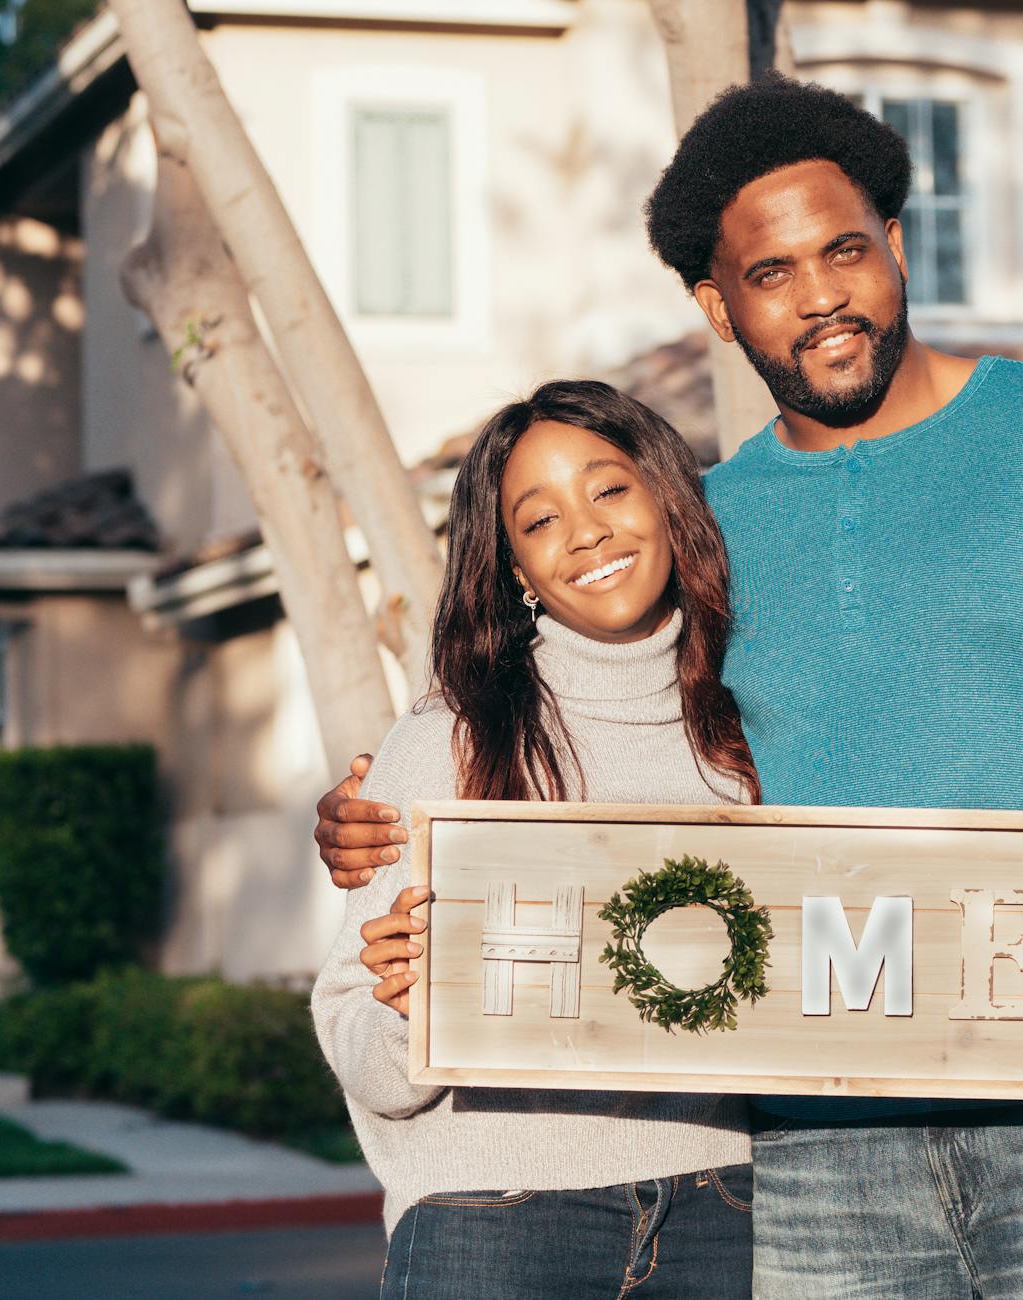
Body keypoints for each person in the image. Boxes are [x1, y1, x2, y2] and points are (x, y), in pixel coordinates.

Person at [316, 75, 1023, 1300]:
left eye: (843, 249)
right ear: (717, 308)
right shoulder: (703, 526)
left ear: (894, 243)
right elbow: (550, 681)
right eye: (770, 273)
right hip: (809, 1123)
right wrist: (383, 812)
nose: (820, 294)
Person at [311, 381, 761, 1299]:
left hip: (728, 1212)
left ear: (668, 502)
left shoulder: (759, 730)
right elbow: (362, 1040)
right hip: (494, 1214)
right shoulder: (452, 736)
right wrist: (406, 1010)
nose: (586, 532)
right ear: (513, 565)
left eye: (608, 490)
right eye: (540, 519)